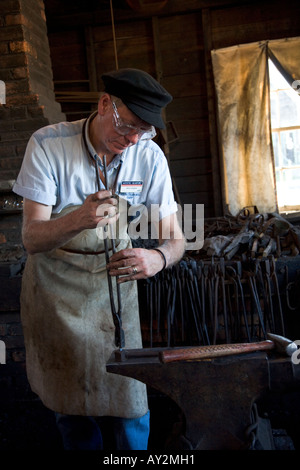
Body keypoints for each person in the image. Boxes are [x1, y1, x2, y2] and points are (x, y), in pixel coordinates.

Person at [13, 68, 185, 450]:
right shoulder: (47, 144)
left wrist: (158, 257)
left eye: (143, 130)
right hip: (58, 293)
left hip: (116, 293)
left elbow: (177, 239)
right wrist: (79, 219)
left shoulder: (148, 155)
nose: (133, 139)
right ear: (105, 104)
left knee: (131, 404)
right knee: (72, 407)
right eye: (128, 126)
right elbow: (31, 238)